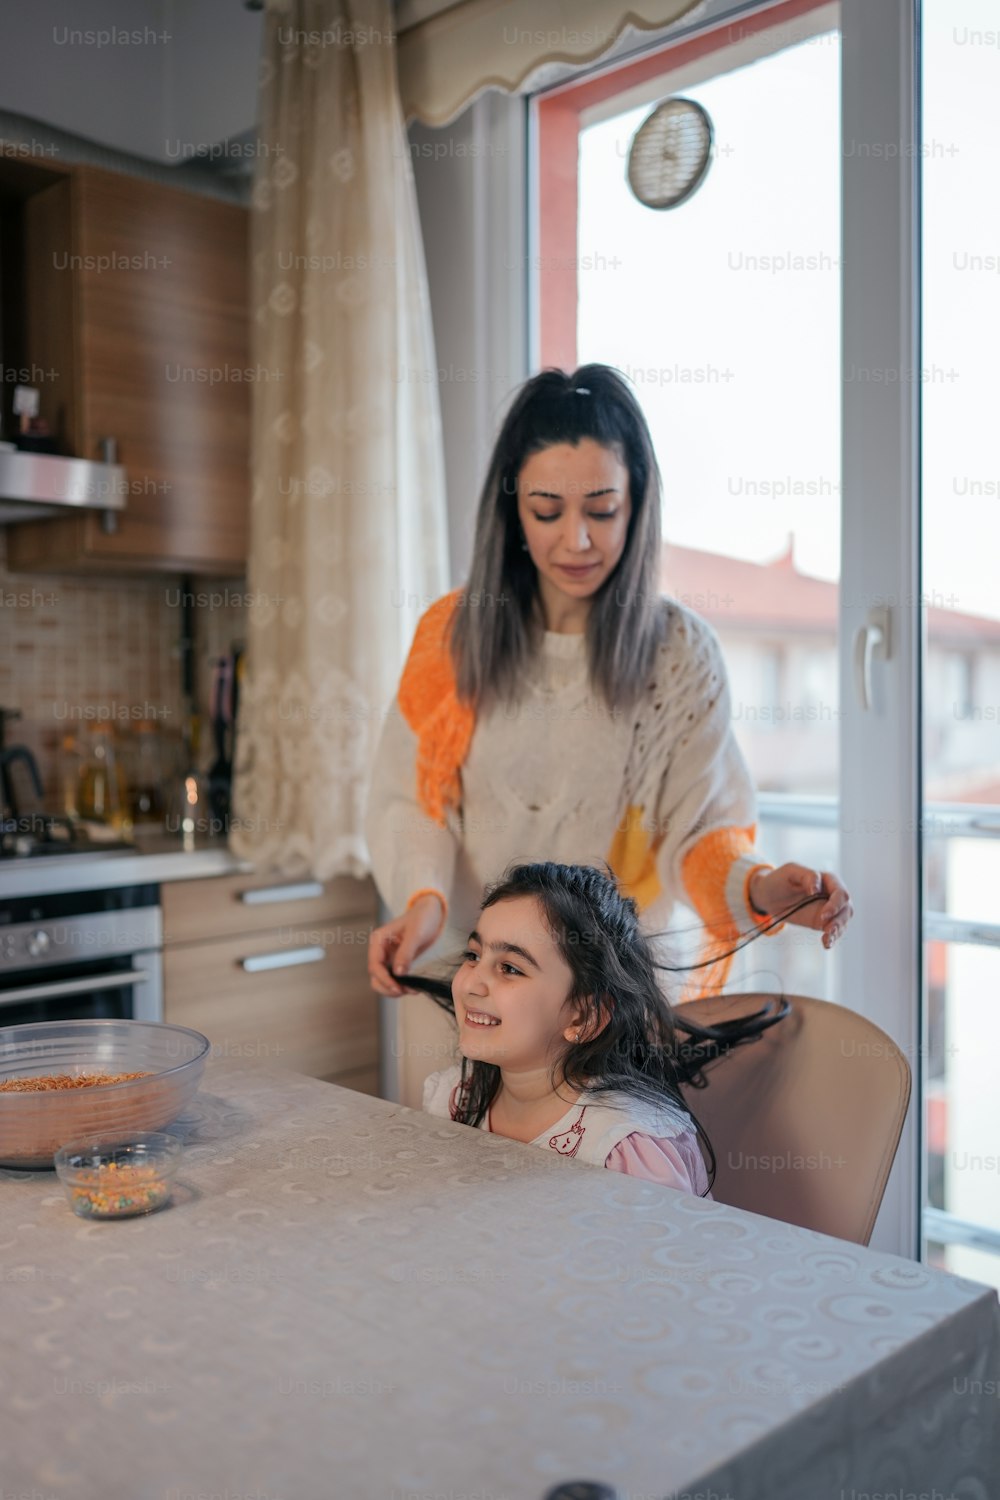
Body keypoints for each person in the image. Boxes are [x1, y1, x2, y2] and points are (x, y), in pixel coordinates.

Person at [365, 363, 853, 1012]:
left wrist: (764, 890)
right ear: (513, 510)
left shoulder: (679, 658)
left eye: (602, 509)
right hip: (472, 991)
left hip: (609, 1009)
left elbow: (701, 831)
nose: (578, 539)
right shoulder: (450, 637)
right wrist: (424, 902)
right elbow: (413, 800)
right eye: (547, 511)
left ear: (638, 502)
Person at [399, 861, 795, 1195]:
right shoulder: (454, 1100)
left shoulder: (627, 1151)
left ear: (583, 1018)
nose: (470, 982)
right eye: (474, 954)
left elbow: (657, 1276)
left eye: (510, 968)